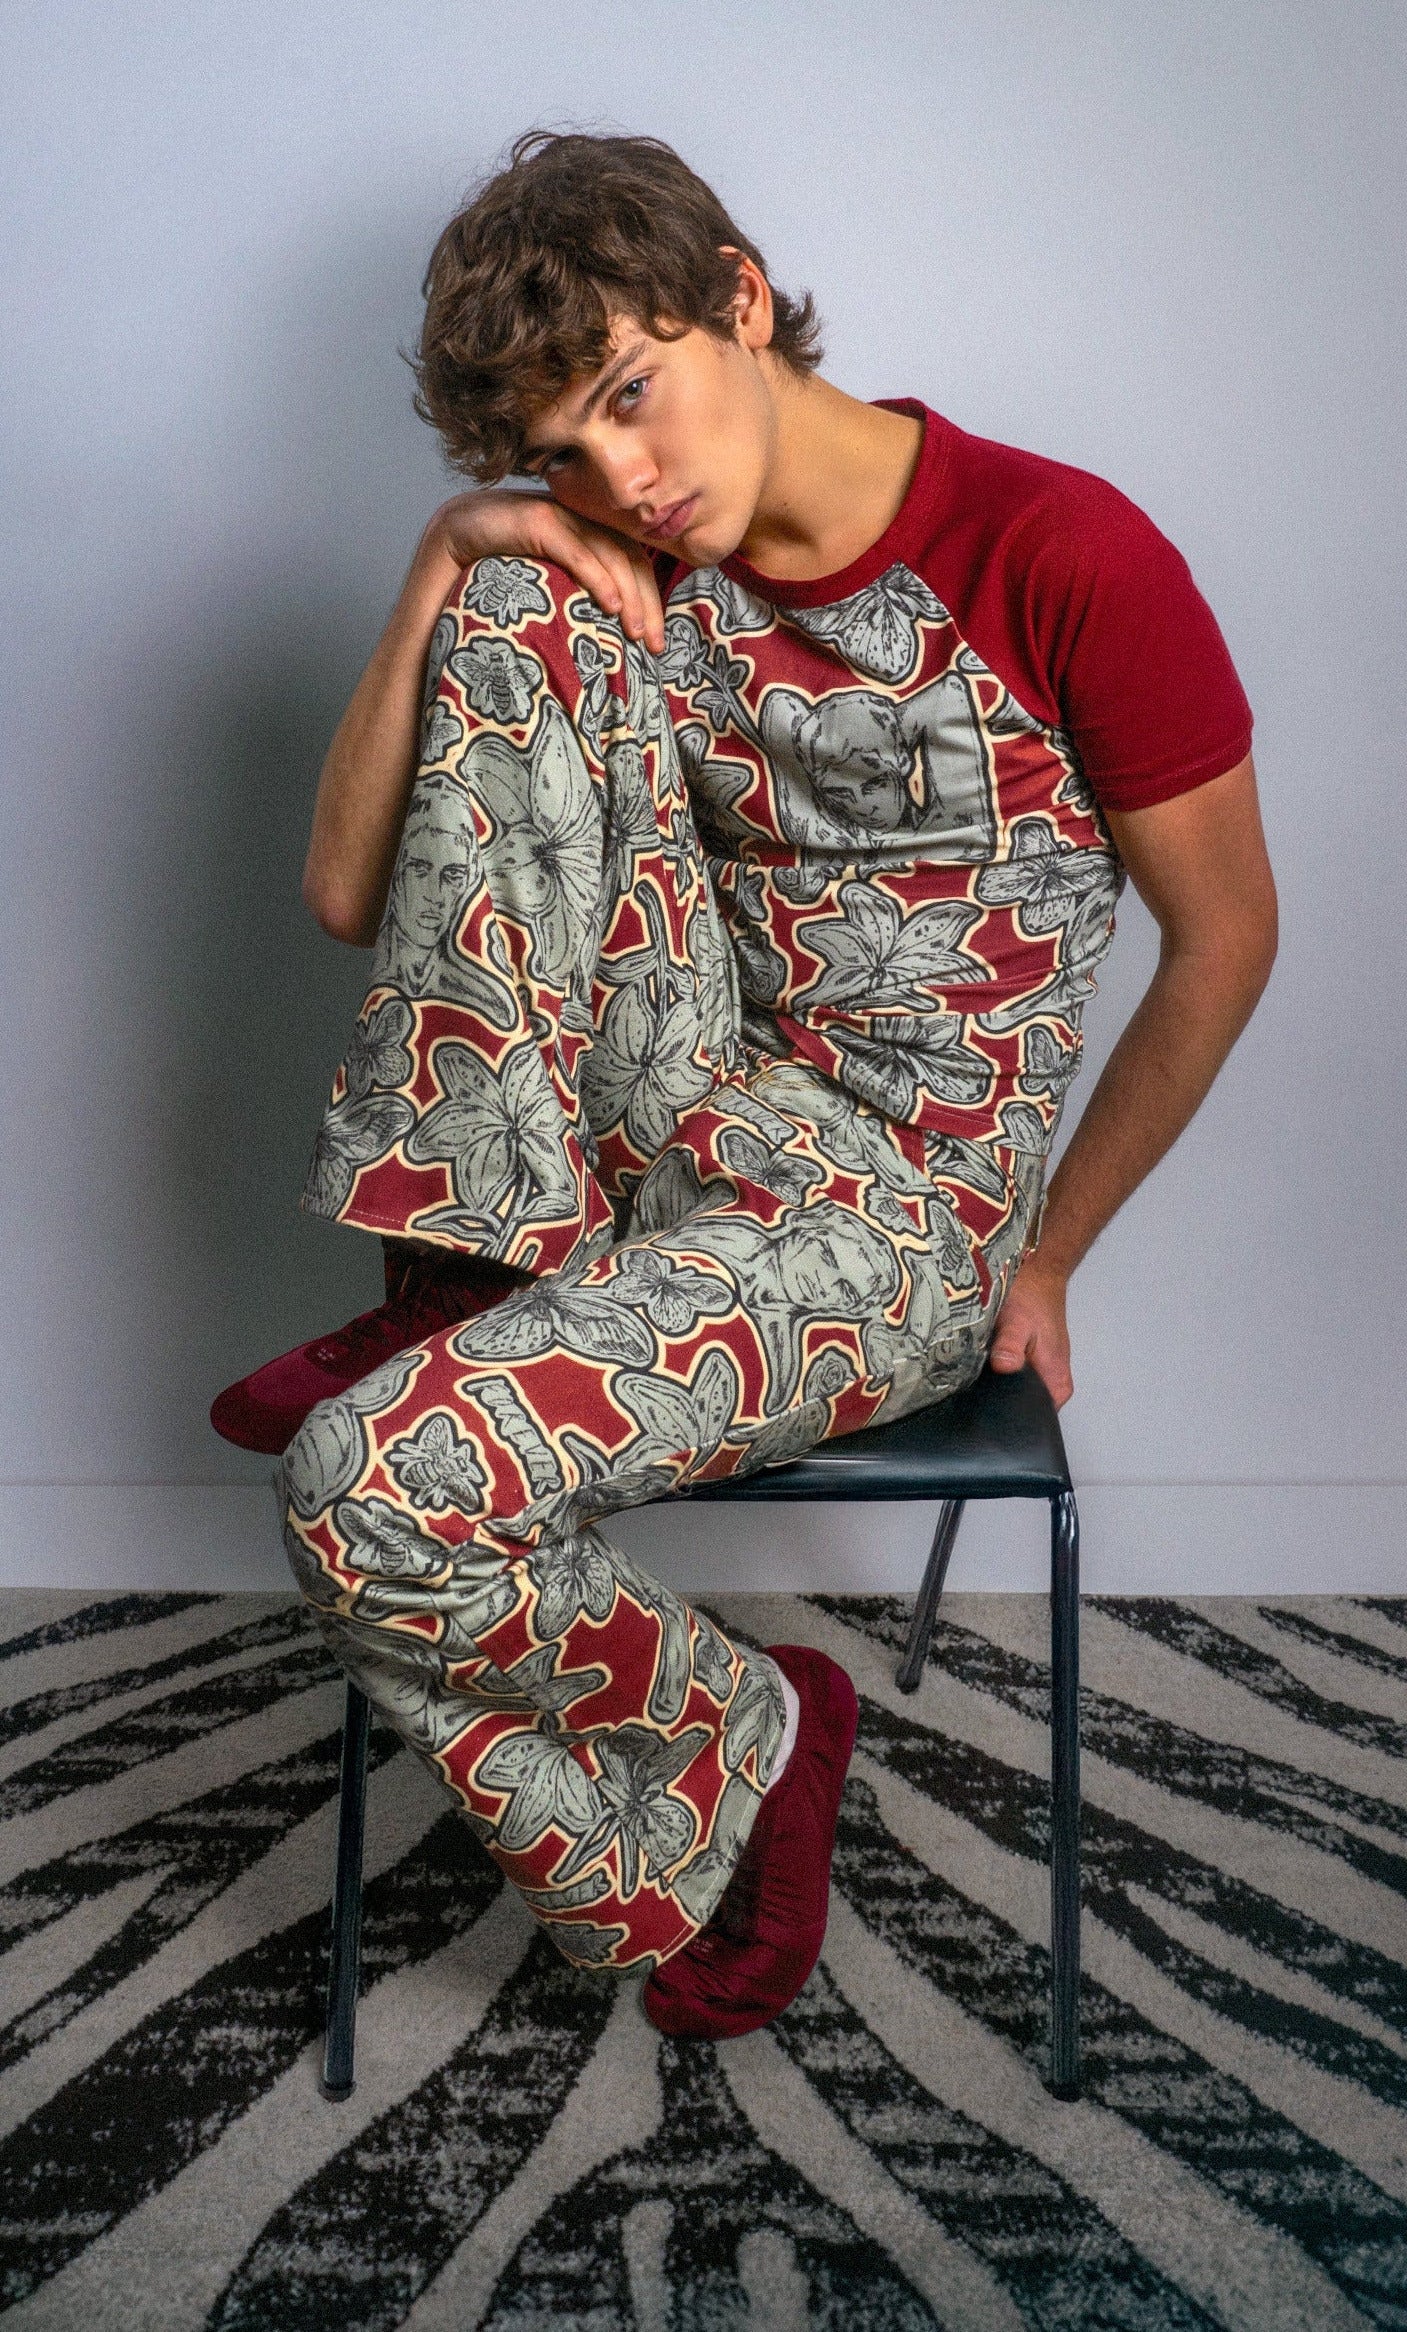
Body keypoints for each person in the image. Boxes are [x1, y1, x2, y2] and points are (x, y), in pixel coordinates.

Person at [211, 131, 1277, 2038]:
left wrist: (1050, 1255)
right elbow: (343, 890)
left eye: (633, 395)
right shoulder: (612, 548)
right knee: (528, 612)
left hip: (894, 1216)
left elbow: (1229, 941)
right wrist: (455, 553)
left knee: (367, 1498)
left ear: (741, 297)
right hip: (676, 1103)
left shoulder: (1063, 551)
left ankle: (744, 1736)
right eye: (565, 452)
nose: (626, 476)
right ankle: (464, 1272)